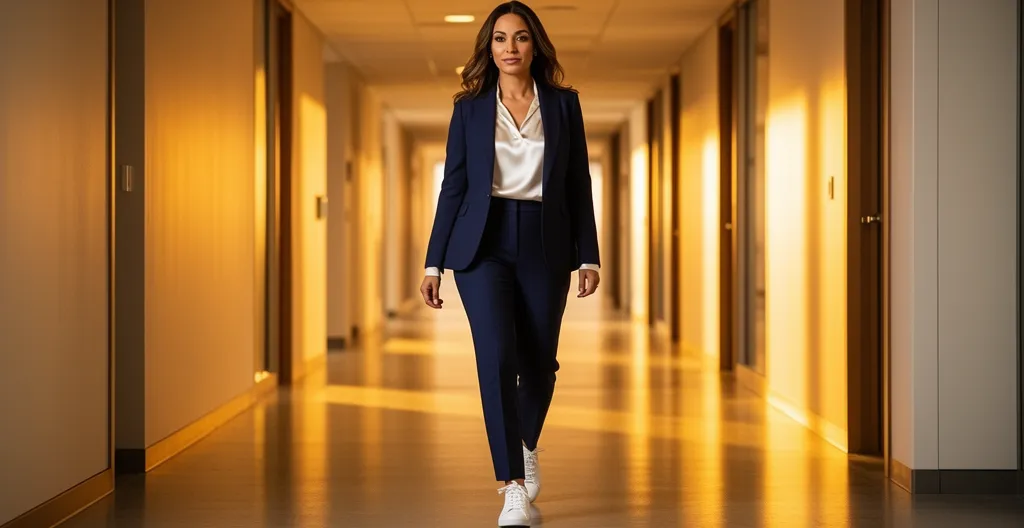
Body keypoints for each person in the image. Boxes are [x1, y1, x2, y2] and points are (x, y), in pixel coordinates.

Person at [418, 1, 601, 525]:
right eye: (500, 39)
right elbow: (453, 187)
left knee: (540, 361)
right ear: (488, 47)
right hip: (482, 244)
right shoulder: (470, 108)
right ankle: (512, 485)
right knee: (496, 355)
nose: (510, 48)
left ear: (535, 45)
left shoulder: (564, 105)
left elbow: (577, 185)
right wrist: (433, 263)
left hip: (546, 240)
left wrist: (588, 253)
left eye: (520, 38)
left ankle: (525, 443)